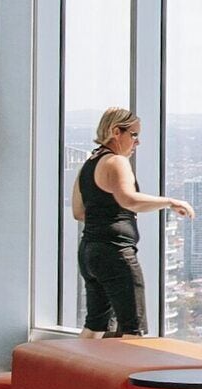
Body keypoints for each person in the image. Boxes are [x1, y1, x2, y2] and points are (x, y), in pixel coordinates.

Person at [66, 108, 187, 339]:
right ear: (115, 132)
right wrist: (170, 202)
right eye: (133, 134)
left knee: (95, 325)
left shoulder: (88, 164)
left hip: (90, 251)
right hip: (115, 253)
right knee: (133, 327)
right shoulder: (116, 162)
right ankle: (128, 375)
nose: (137, 142)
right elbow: (129, 199)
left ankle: (78, 374)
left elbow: (79, 212)